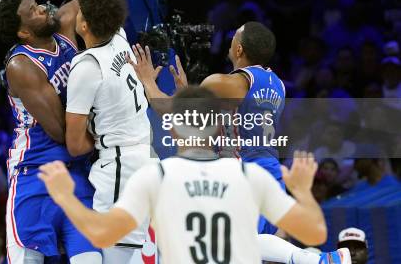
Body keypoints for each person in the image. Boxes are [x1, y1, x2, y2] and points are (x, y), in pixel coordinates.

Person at [0, 0, 170, 264]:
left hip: (80, 168)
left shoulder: (68, 25)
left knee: (92, 257)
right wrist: (110, 138)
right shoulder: (22, 65)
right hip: (36, 172)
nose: (44, 7)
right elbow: (61, 131)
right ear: (24, 31)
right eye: (34, 10)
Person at [129, 22, 351, 264]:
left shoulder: (223, 82)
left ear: (239, 50)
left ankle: (318, 260)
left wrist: (148, 81)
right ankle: (319, 260)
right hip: (270, 168)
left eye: (235, 35)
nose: (230, 38)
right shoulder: (277, 84)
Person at [38, 86, 328, 263]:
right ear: (217, 129)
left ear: (173, 129)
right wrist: (302, 192)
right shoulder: (249, 176)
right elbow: (315, 232)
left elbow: (101, 232)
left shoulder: (153, 177)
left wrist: (65, 197)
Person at [64, 0, 154, 263]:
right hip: (144, 155)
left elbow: (75, 145)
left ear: (84, 24)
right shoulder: (120, 36)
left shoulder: (87, 66)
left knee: (118, 255)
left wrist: (104, 139)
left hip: (120, 165)